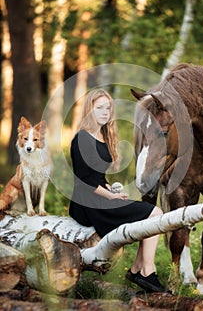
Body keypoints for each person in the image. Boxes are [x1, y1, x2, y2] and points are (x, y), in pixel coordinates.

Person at [69, 88, 166, 293]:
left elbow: (97, 177)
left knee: (151, 216)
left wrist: (112, 191)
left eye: (108, 108)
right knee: (156, 213)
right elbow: (85, 181)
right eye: (99, 108)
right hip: (86, 204)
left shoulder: (103, 137)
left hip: (98, 196)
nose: (105, 112)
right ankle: (146, 271)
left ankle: (139, 268)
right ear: (89, 110)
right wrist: (111, 196)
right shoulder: (82, 139)